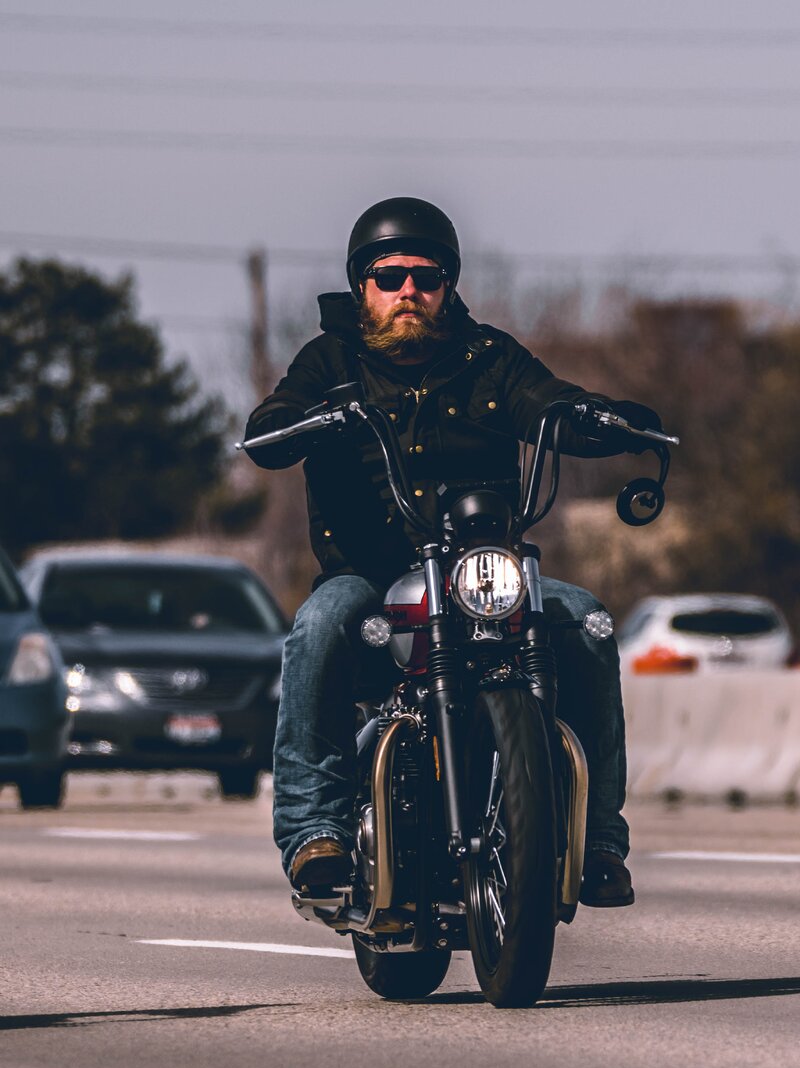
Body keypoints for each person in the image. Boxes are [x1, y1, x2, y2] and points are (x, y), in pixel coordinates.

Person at [244, 197, 660, 907]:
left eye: (426, 275)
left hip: (480, 575)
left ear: (449, 284)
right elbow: (268, 427)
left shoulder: (489, 358)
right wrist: (298, 423)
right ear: (361, 287)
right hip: (368, 579)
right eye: (389, 276)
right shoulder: (329, 362)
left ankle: (598, 840)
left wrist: (608, 420)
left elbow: (549, 401)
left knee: (586, 619)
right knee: (316, 626)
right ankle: (315, 832)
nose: (408, 290)